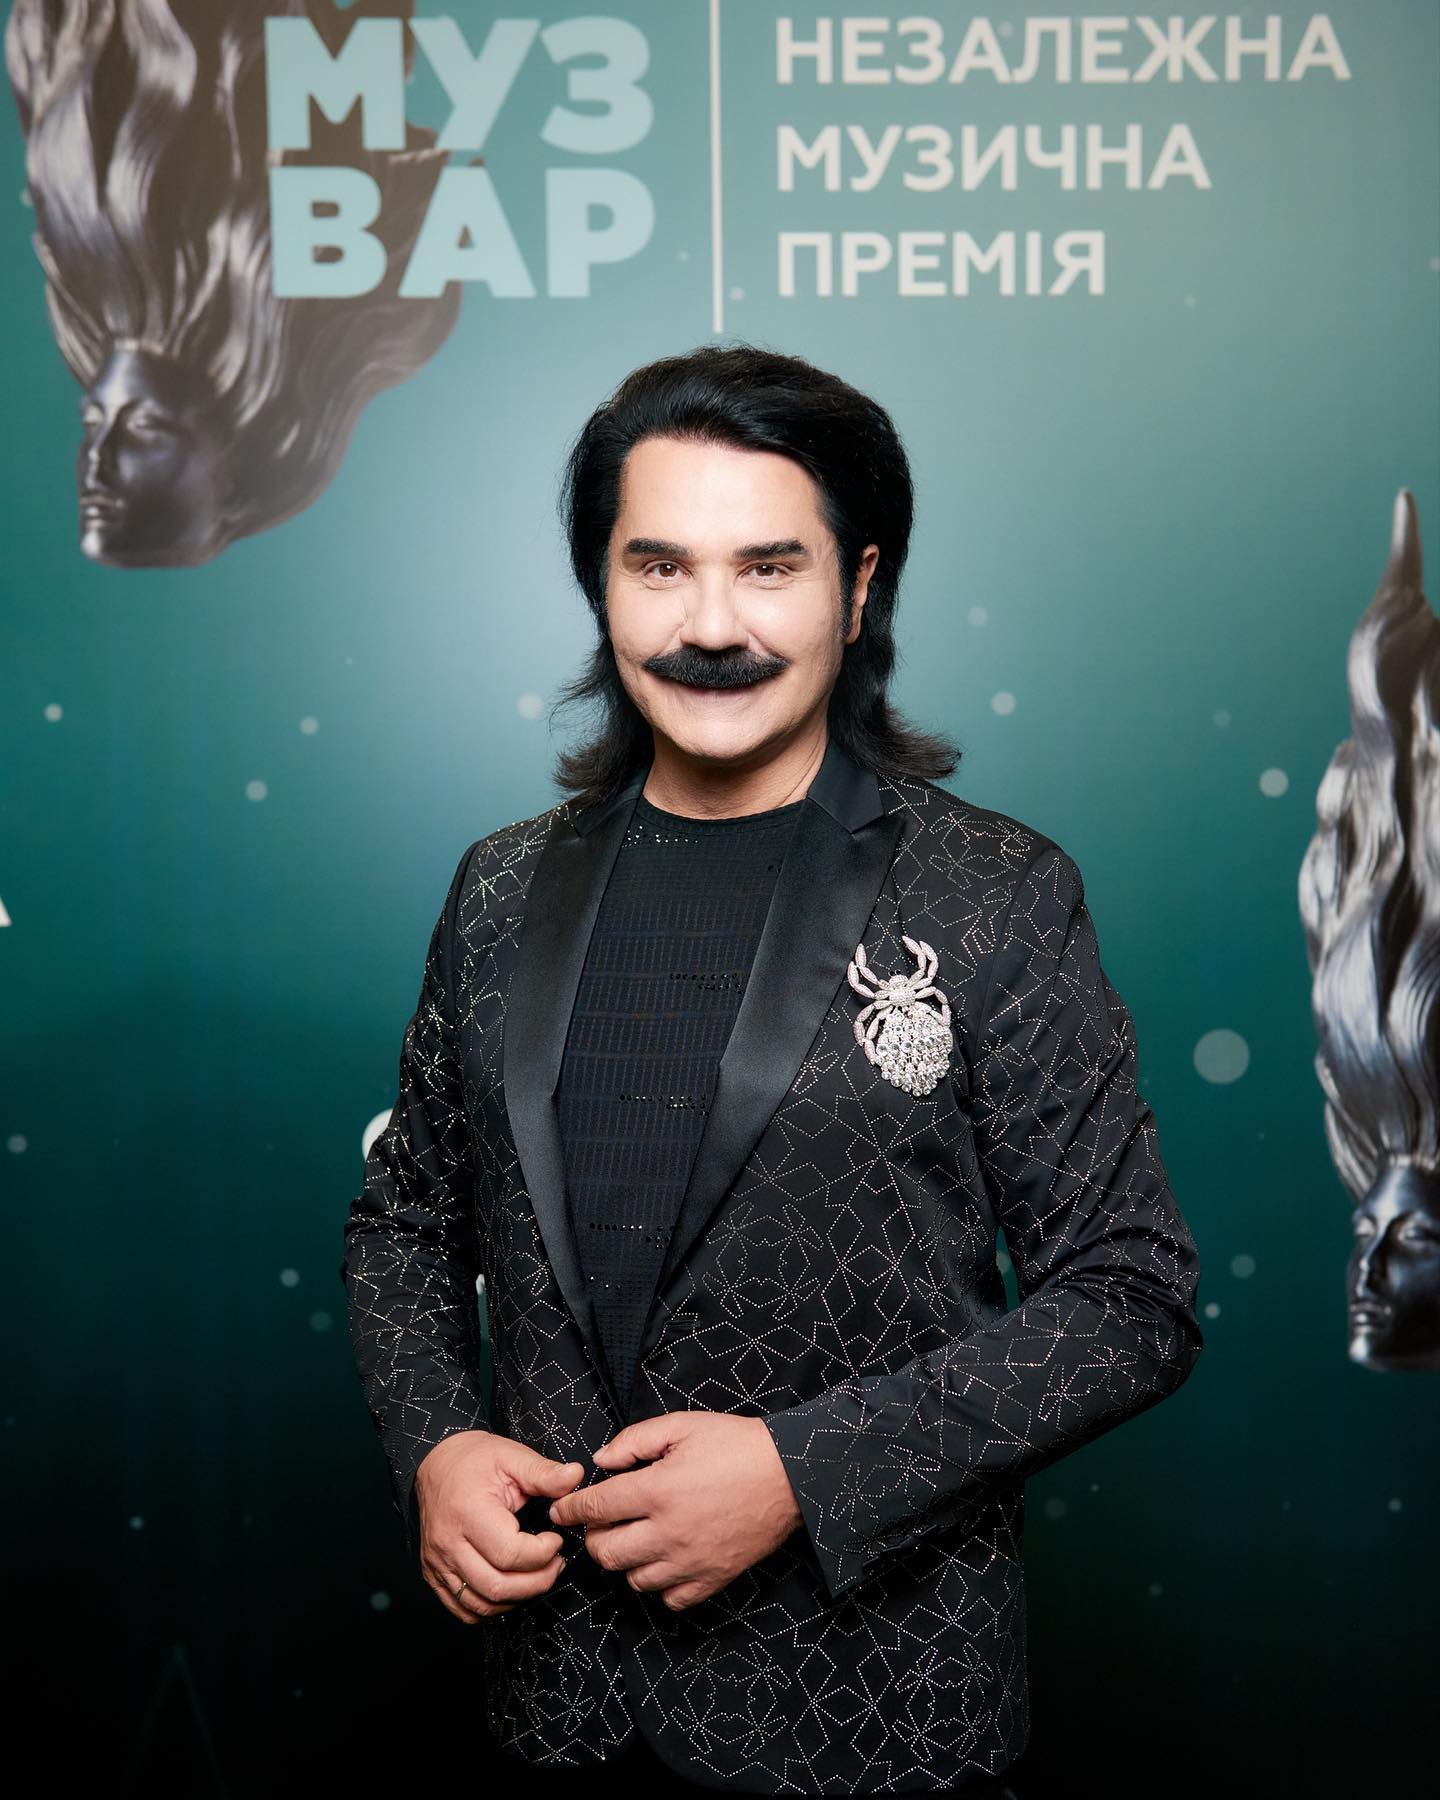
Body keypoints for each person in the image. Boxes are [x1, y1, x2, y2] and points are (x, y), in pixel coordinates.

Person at [339, 343, 1204, 1797]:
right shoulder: (498, 890)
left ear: (859, 590)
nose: (711, 625)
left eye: (768, 568)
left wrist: (807, 1473)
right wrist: (437, 1443)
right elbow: (406, 1223)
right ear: (602, 585)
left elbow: (1130, 1298)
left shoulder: (992, 890)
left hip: (876, 1718)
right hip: (557, 1707)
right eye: (659, 567)